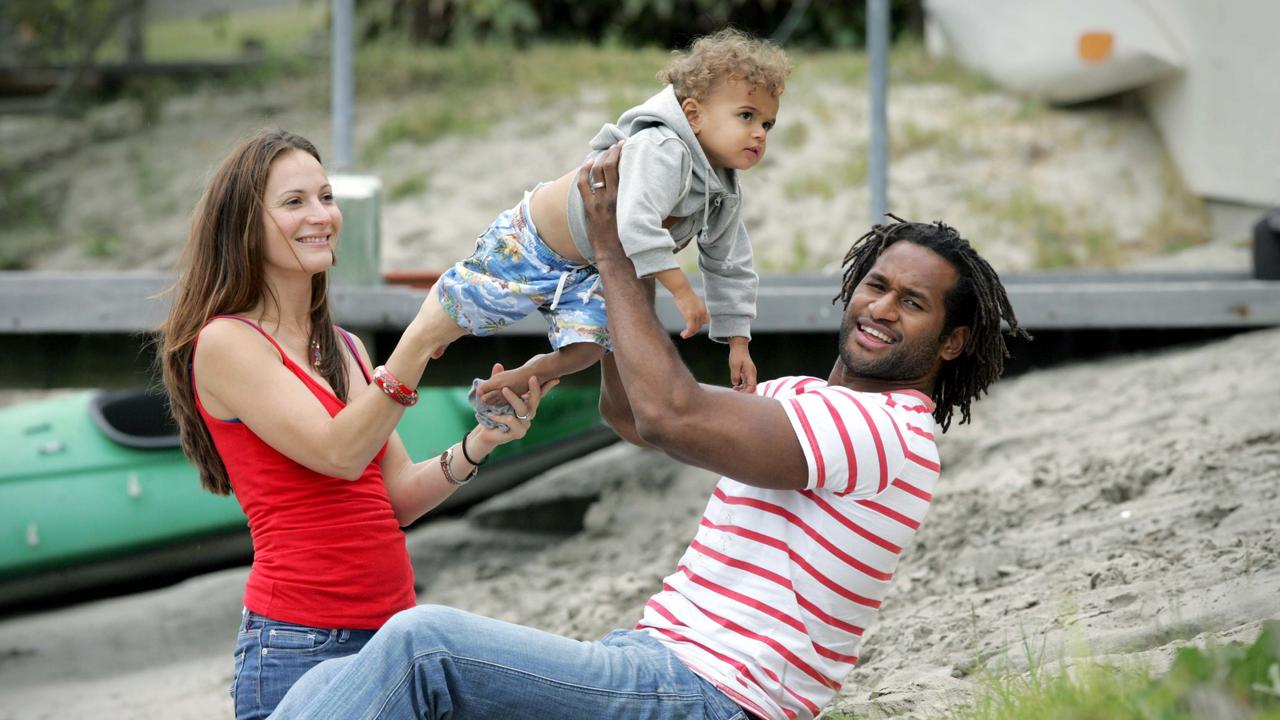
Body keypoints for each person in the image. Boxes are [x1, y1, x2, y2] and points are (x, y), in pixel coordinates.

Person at [266, 143, 1029, 720]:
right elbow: (633, 411)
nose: (882, 307)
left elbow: (669, 412)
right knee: (334, 683)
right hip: (653, 662)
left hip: (711, 696)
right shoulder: (802, 397)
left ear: (953, 341)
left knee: (421, 645)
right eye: (877, 284)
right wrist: (596, 295)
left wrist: (614, 249)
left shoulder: (889, 432)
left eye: (914, 303)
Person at [157, 127, 554, 720]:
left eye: (325, 196)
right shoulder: (226, 343)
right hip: (300, 646)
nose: (320, 216)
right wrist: (419, 339)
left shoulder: (342, 346)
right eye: (294, 202)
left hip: (393, 632)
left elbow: (391, 499)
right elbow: (338, 453)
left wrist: (480, 442)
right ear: (245, 225)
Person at [420, 28, 790, 418]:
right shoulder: (664, 148)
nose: (758, 133)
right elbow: (636, 223)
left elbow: (730, 262)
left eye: (767, 124)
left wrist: (738, 343)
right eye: (746, 116)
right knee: (472, 299)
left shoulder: (724, 189)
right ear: (694, 116)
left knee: (593, 345)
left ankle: (534, 369)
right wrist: (682, 291)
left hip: (594, 267)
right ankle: (438, 331)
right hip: (536, 243)